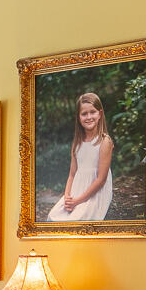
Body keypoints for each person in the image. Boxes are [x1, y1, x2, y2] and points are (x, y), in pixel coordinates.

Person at [46, 91, 114, 221]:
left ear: (100, 114)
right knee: (53, 216)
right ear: (78, 117)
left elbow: (101, 180)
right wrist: (67, 197)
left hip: (95, 192)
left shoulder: (104, 142)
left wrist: (77, 201)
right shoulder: (77, 142)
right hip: (77, 190)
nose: (89, 117)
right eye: (84, 114)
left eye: (92, 112)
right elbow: (72, 174)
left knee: (77, 220)